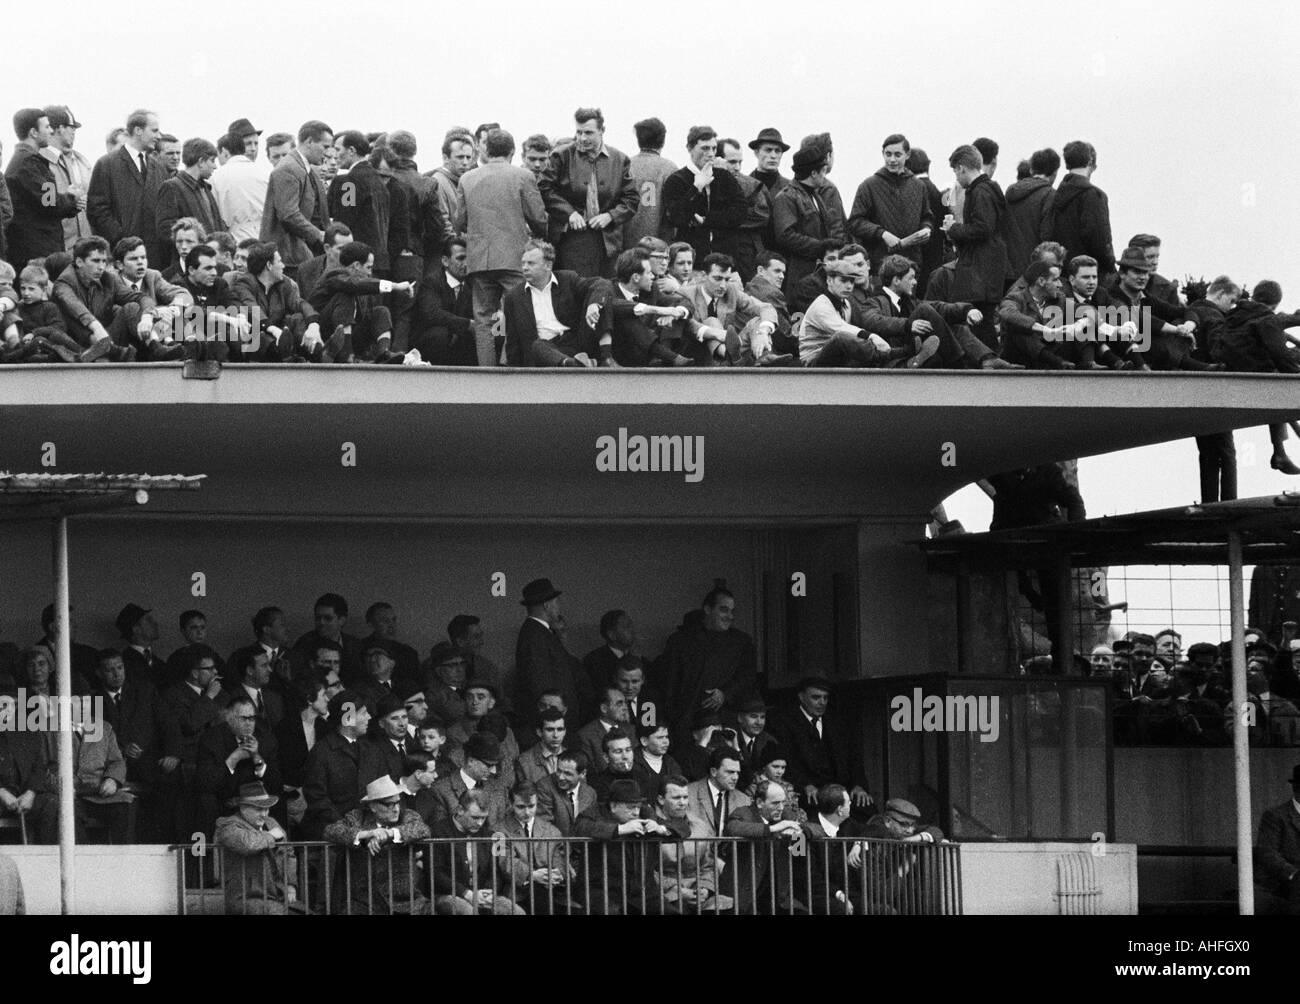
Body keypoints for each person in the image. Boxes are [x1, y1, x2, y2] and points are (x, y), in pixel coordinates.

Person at [457, 128, 547, 366]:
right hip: (514, 256)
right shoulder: (523, 176)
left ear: (485, 150)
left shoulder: (467, 178)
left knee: (483, 318)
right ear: (513, 151)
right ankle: (510, 362)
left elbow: (459, 221)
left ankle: (486, 369)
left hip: (479, 259)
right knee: (518, 313)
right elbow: (538, 218)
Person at [863, 253, 1014, 369]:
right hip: (894, 356)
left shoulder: (910, 302)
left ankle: (987, 358)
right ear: (896, 280)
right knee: (924, 309)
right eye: (911, 278)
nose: (915, 282)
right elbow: (873, 321)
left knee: (954, 325)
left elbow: (939, 307)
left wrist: (966, 310)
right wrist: (908, 325)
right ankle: (959, 362)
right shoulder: (874, 301)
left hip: (915, 351)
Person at [539, 108, 637, 278]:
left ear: (602, 131)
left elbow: (632, 198)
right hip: (571, 238)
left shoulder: (620, 160)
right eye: (579, 132)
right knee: (575, 289)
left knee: (604, 291)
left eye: (589, 133)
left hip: (607, 241)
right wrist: (569, 213)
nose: (582, 138)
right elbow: (545, 189)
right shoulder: (561, 156)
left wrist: (611, 216)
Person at [1219, 279, 1300, 474]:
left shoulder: (1235, 314)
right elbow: (1278, 352)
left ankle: (1280, 451)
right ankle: (1280, 451)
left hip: (1232, 368)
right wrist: (1296, 375)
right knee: (1280, 386)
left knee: (1277, 387)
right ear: (1275, 304)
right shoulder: (1266, 318)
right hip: (1256, 372)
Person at [326, 775, 431, 915]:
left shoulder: (407, 816)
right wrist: (366, 834)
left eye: (398, 802)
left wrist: (389, 834)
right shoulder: (358, 817)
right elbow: (330, 831)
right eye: (389, 804)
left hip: (405, 900)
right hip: (365, 901)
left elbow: (423, 829)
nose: (396, 809)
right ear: (373, 806)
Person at [500, 238, 612, 367]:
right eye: (523, 263)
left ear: (548, 265)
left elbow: (602, 283)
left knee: (601, 296)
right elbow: (513, 342)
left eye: (531, 263)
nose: (525, 268)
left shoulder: (568, 279)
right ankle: (573, 365)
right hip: (545, 352)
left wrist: (594, 305)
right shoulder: (514, 296)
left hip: (576, 343)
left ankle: (606, 358)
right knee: (538, 345)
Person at [768, 676, 871, 814]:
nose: (822, 702)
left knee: (866, 808)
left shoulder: (837, 723)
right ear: (802, 697)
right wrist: (804, 785)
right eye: (816, 697)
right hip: (808, 792)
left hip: (840, 790)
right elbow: (786, 761)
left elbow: (854, 759)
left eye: (825, 698)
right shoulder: (785, 723)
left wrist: (859, 786)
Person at [798, 259, 927, 367]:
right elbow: (842, 328)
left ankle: (898, 360)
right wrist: (871, 336)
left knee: (854, 343)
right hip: (813, 361)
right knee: (840, 338)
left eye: (852, 281)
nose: (849, 286)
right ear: (829, 281)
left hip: (838, 357)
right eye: (843, 281)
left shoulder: (846, 304)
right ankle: (896, 355)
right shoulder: (821, 305)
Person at [941, 144, 1008, 347]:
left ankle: (987, 360)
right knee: (983, 317)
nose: (956, 177)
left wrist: (953, 229)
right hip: (989, 265)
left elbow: (982, 228)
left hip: (980, 268)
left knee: (979, 318)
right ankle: (988, 360)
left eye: (955, 171)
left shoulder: (979, 192)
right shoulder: (989, 189)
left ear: (961, 168)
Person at [87, 109, 169, 265]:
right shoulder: (107, 164)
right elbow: (97, 209)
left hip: (154, 257)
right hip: (121, 256)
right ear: (138, 130)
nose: (159, 136)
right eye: (154, 130)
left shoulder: (158, 167)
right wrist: (121, 238)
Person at [1185, 276, 1242, 500]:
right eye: (1232, 300)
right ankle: (1230, 501)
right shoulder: (1216, 317)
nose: (1233, 306)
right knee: (1227, 450)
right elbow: (1219, 351)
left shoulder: (1190, 311)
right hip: (1215, 387)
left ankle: (1209, 501)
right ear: (1220, 295)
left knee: (1207, 451)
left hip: (1192, 387)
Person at [4, 109, 82, 269]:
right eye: (47, 127)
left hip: (37, 248)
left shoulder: (27, 161)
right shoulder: (28, 163)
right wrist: (71, 198)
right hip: (35, 252)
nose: (51, 131)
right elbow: (49, 202)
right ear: (33, 132)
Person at [677, 252, 787, 366]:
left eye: (727, 279)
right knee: (711, 321)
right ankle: (725, 354)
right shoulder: (687, 293)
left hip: (735, 355)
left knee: (757, 322)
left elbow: (765, 308)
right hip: (698, 356)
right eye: (718, 278)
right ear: (704, 276)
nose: (723, 285)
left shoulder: (731, 291)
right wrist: (716, 333)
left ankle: (764, 356)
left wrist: (764, 331)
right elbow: (688, 325)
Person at [847, 133, 933, 276]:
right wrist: (882, 234)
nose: (892, 159)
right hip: (881, 266)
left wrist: (926, 228)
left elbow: (927, 216)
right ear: (883, 154)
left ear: (907, 154)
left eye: (897, 155)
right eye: (888, 154)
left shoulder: (919, 186)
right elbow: (855, 222)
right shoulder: (868, 186)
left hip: (911, 265)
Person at [427, 788, 523, 915]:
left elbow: (496, 871)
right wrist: (466, 893)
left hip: (481, 894)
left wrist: (488, 892)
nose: (479, 823)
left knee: (517, 912)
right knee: (468, 911)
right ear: (460, 810)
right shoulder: (438, 832)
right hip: (449, 894)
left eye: (483, 818)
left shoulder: (492, 835)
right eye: (475, 817)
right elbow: (435, 873)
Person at [213, 782, 304, 914]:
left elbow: (288, 853)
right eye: (259, 809)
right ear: (243, 808)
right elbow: (248, 844)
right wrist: (271, 835)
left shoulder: (270, 822)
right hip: (247, 897)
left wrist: (291, 885)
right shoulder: (228, 826)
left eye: (267, 809)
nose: (264, 814)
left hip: (277, 896)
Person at [661, 126, 744, 264]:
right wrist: (696, 188)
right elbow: (676, 217)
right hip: (692, 264)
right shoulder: (676, 179)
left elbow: (740, 212)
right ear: (690, 148)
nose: (711, 153)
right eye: (705, 148)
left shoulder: (724, 176)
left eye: (714, 148)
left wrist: (708, 219)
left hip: (726, 262)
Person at [724, 776, 807, 914]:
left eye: (783, 802)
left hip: (778, 895)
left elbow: (801, 849)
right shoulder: (744, 813)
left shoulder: (787, 814)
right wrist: (771, 829)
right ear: (759, 802)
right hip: (746, 894)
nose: (781, 808)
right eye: (775, 803)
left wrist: (800, 834)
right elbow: (733, 827)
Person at [260, 120, 332, 276]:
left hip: (303, 256)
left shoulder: (307, 170)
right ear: (310, 142)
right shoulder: (289, 168)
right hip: (290, 259)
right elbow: (288, 214)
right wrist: (319, 235)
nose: (328, 154)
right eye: (326, 147)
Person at [492, 780, 576, 914]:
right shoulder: (497, 831)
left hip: (551, 891)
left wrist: (558, 874)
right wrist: (532, 875)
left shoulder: (551, 831)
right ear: (511, 804)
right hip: (516, 893)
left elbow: (560, 858)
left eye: (531, 806)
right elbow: (505, 863)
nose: (527, 812)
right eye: (521, 807)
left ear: (537, 803)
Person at [515, 577, 590, 715]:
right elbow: (539, 681)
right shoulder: (534, 635)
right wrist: (553, 714)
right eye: (556, 601)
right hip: (554, 718)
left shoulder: (540, 632)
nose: (558, 606)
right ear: (546, 605)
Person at [773, 143, 845, 287]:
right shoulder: (786, 197)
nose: (825, 177)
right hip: (799, 275)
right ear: (813, 173)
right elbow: (785, 236)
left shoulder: (814, 195)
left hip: (817, 273)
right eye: (823, 171)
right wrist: (821, 246)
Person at [607, 247, 693, 367]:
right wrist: (656, 309)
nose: (653, 276)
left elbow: (683, 301)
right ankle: (670, 357)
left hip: (646, 354)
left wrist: (675, 313)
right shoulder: (608, 289)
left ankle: (664, 360)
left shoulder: (651, 290)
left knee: (679, 316)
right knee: (627, 314)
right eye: (648, 273)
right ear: (636, 277)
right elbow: (613, 304)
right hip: (620, 355)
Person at [301, 689, 370, 838]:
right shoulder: (322, 753)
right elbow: (317, 798)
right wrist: (346, 827)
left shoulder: (368, 749)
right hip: (329, 840)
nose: (369, 717)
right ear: (348, 717)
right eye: (363, 713)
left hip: (361, 835)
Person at [154, 138, 224, 270]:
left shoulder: (205, 188)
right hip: (188, 267)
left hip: (208, 264)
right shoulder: (172, 187)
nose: (215, 166)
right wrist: (192, 242)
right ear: (201, 162)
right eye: (212, 161)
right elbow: (165, 229)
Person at [1049, 140, 1115, 277]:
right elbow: (1098, 239)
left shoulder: (1056, 195)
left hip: (1065, 272)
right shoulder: (1094, 195)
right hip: (1089, 273)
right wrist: (1110, 266)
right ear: (1090, 162)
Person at [1002, 148, 1059, 286]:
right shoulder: (1050, 195)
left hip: (1006, 270)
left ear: (1032, 170)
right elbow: (1047, 234)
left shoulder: (1010, 192)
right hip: (1032, 272)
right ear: (1055, 172)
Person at [1254, 763, 1300, 914]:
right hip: (1283, 883)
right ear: (1296, 788)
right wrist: (1294, 874)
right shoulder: (1276, 816)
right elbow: (1267, 853)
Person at [624, 117, 677, 248]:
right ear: (663, 141)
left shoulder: (626, 165)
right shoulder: (669, 168)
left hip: (627, 242)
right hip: (659, 244)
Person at [211, 132, 268, 243]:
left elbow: (215, 212)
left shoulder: (217, 177)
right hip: (265, 234)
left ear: (224, 151)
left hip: (236, 237)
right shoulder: (265, 172)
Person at [686, 746, 751, 838]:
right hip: (698, 851)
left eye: (737, 773)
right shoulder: (688, 793)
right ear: (713, 772)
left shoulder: (744, 800)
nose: (735, 777)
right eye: (730, 772)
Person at [535, 748, 597, 836]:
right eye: (559, 771)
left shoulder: (590, 793)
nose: (561, 777)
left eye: (567, 774)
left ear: (582, 774)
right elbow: (544, 827)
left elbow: (591, 827)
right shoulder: (545, 786)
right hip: (555, 846)